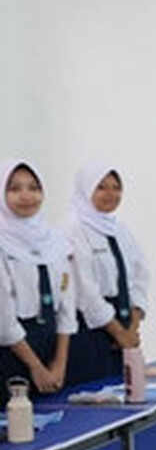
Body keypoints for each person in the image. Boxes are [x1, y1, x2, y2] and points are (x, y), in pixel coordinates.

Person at [0, 161, 98, 399]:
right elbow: (4, 319)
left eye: (34, 188)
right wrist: (36, 367)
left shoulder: (55, 241)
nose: (26, 196)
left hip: (53, 348)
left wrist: (59, 363)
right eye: (14, 189)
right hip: (11, 352)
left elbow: (66, 304)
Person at [66, 164, 147, 381]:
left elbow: (140, 275)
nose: (111, 194)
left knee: (125, 390)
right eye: (101, 187)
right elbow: (85, 290)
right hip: (91, 331)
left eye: (116, 187)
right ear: (86, 190)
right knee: (94, 394)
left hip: (125, 326)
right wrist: (120, 334)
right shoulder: (73, 230)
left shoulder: (119, 229)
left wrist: (132, 328)